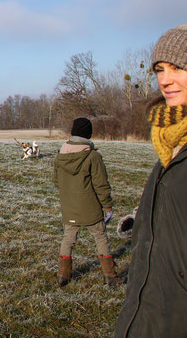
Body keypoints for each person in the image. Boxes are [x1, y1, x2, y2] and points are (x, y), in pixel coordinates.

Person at [114, 21, 187, 337]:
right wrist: (143, 218)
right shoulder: (170, 141)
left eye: (178, 67)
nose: (165, 80)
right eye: (160, 69)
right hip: (147, 313)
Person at [53, 117, 123, 286]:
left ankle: (63, 275)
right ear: (88, 134)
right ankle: (110, 276)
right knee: (100, 237)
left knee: (68, 238)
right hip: (91, 208)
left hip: (69, 207)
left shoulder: (59, 156)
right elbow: (101, 185)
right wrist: (107, 206)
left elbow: (56, 181)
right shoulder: (93, 156)